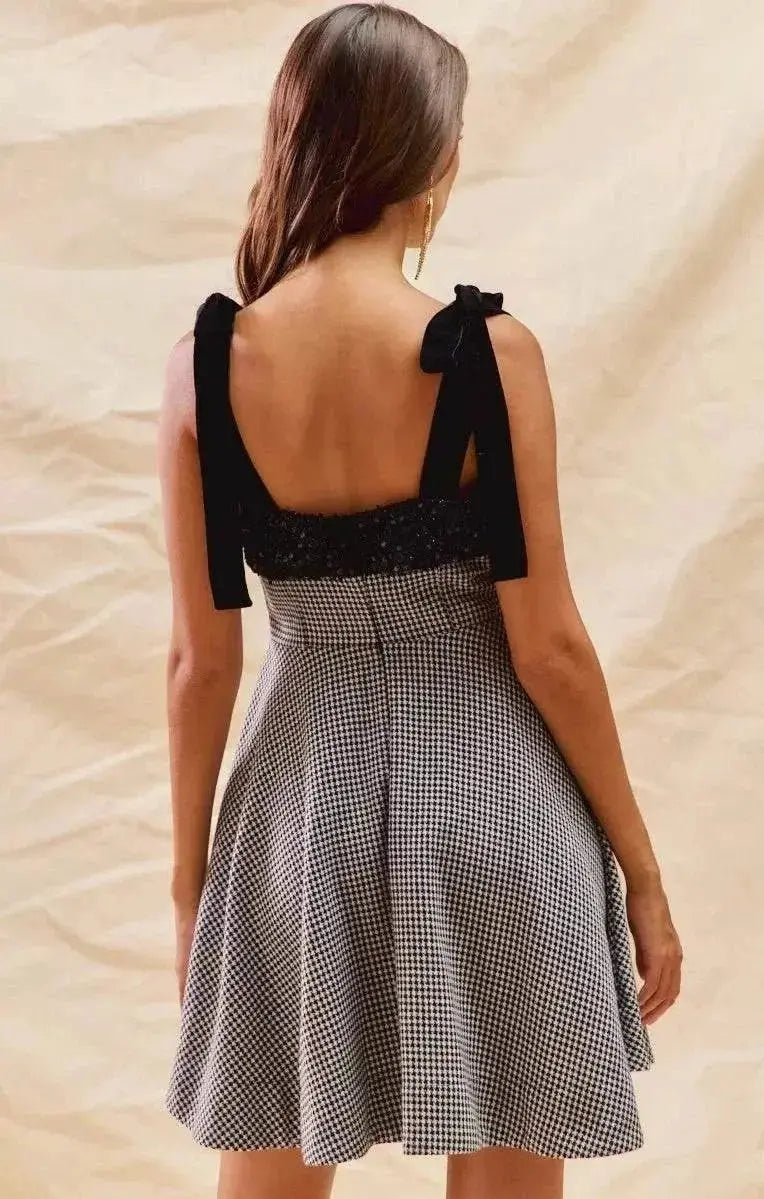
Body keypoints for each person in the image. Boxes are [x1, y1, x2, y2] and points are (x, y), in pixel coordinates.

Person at [157, 4, 682, 1197]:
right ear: (427, 158)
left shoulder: (204, 366)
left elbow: (201, 661)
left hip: (296, 811)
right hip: (500, 804)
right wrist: (640, 873)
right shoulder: (487, 355)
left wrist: (191, 882)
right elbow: (546, 642)